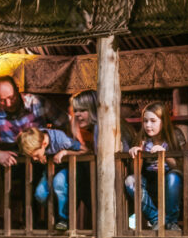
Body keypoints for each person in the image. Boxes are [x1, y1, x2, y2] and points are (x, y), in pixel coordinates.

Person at [56, 90, 134, 230]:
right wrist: (76, 133)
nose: (78, 114)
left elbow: (108, 158)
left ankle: (66, 219)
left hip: (120, 181)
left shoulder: (103, 127)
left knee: (80, 171)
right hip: (109, 182)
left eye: (83, 110)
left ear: (94, 109)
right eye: (76, 110)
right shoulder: (96, 127)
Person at [125, 102, 187, 231]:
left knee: (173, 177)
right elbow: (135, 172)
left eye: (153, 121)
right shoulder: (141, 138)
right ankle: (157, 220)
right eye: (145, 121)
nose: (148, 125)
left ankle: (170, 222)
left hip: (170, 181)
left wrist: (164, 155)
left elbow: (181, 167)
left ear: (163, 121)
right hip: (150, 180)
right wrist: (138, 154)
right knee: (130, 180)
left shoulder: (175, 135)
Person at [17, 126, 85, 231]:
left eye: (35, 155)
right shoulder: (38, 137)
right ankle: (57, 212)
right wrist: (42, 156)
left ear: (43, 144)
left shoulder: (61, 140)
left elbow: (84, 150)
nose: (34, 159)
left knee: (59, 183)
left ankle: (63, 219)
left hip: (67, 168)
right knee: (40, 194)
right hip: (51, 169)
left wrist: (65, 152)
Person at [0, 76, 46, 165]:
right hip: (11, 166)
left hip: (41, 162)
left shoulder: (36, 102)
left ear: (17, 90)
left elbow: (65, 122)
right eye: (2, 100)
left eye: (11, 98)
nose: (8, 104)